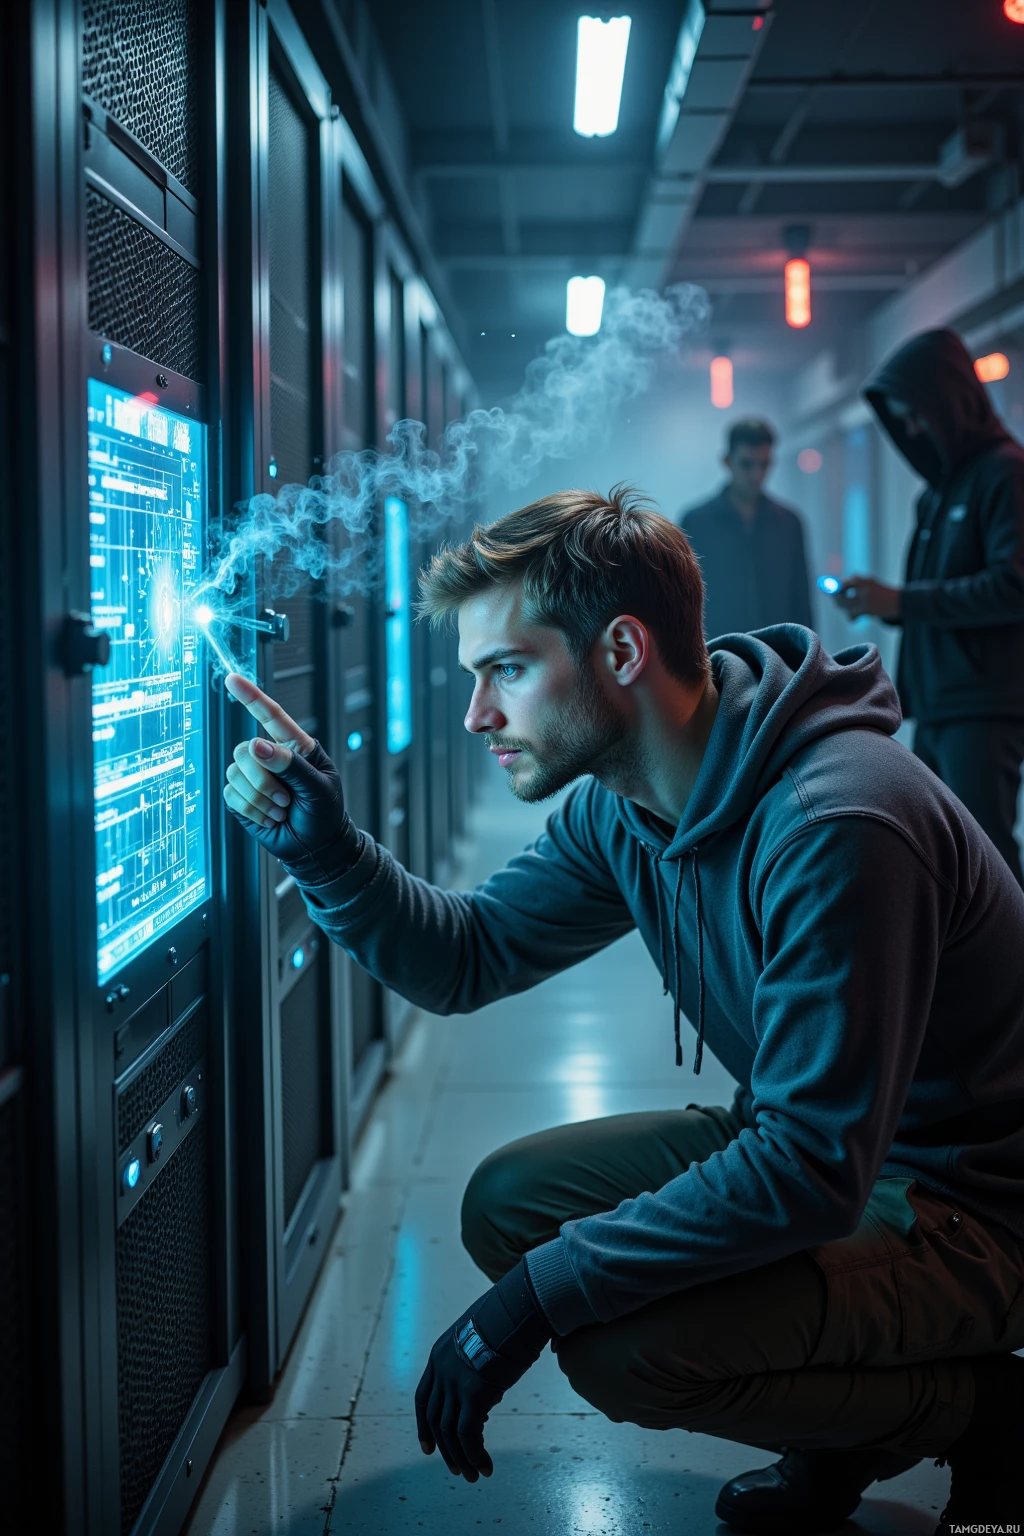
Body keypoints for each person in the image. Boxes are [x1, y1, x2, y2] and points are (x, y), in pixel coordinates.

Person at [223, 488, 1024, 1536]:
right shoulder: (627, 806)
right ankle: (848, 1414)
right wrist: (326, 849)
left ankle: (986, 1415)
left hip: (971, 1207)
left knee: (626, 1352)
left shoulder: (840, 822)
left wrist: (537, 1298)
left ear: (621, 652)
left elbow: (813, 1169)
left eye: (505, 670)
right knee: (510, 1202)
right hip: (838, 1154)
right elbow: (469, 957)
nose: (476, 715)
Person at [828, 327, 1024, 884]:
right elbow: (937, 597)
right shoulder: (937, 493)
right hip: (937, 705)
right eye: (900, 419)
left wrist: (903, 599)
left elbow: (1013, 587)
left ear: (949, 401)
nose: (910, 429)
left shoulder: (1005, 473)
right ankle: (970, 972)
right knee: (950, 858)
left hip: (983, 705)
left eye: (914, 413)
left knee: (988, 856)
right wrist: (887, 604)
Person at [679, 417, 813, 637]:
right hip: (715, 656)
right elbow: (683, 599)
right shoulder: (696, 522)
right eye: (747, 464)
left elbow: (801, 600)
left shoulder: (789, 522)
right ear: (727, 461)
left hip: (779, 655)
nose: (756, 474)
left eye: (764, 464)